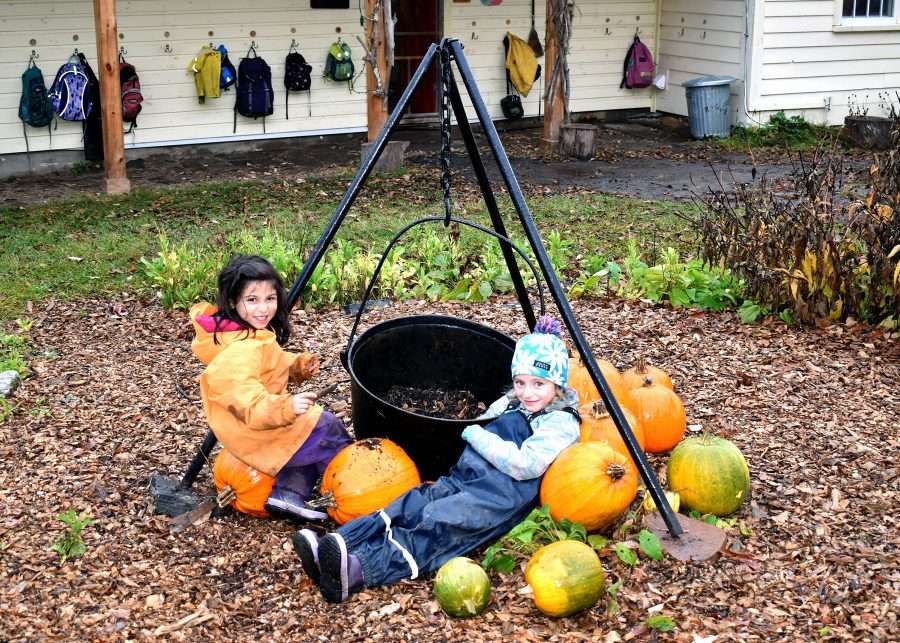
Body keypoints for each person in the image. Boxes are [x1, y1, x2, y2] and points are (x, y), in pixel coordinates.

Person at [292, 315, 580, 603]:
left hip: (497, 499)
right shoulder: (518, 401)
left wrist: (477, 435)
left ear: (558, 384)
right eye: (520, 382)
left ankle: (359, 569)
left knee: (439, 522)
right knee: (415, 500)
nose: (527, 392)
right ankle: (342, 544)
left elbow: (524, 465)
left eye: (538, 384)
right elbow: (491, 414)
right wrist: (496, 410)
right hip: (466, 478)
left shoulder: (559, 423)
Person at [190, 254, 352, 521]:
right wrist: (286, 407)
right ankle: (352, 487)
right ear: (233, 301)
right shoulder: (240, 351)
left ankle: (287, 494)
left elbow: (269, 365)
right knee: (325, 428)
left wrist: (296, 366)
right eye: (252, 300)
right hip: (255, 428)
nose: (263, 308)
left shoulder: (246, 333)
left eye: (270, 298)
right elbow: (247, 401)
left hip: (265, 417)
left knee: (309, 437)